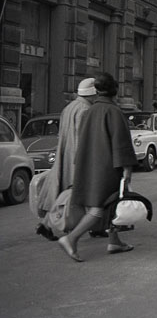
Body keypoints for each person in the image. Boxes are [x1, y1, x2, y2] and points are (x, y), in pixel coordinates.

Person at [57, 72, 138, 262]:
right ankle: (71, 239)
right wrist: (127, 169)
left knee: (111, 206)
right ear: (115, 90)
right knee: (99, 208)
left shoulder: (90, 110)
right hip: (106, 168)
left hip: (88, 165)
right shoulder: (114, 111)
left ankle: (114, 241)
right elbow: (121, 143)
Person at [36, 78, 97, 241]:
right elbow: (83, 138)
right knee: (79, 195)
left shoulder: (69, 107)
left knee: (62, 193)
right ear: (92, 94)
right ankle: (90, 227)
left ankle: (46, 224)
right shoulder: (86, 110)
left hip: (65, 154)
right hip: (76, 158)